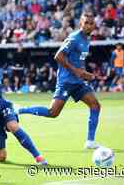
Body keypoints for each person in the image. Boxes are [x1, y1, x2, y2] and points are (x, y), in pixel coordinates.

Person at [16, 12, 102, 149]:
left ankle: (90, 141)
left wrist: (85, 73)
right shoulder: (74, 37)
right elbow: (58, 56)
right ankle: (20, 110)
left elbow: (78, 60)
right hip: (67, 81)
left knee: (95, 105)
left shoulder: (87, 39)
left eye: (91, 23)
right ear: (81, 23)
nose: (89, 25)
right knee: (53, 112)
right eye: (86, 23)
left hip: (78, 82)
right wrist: (77, 71)